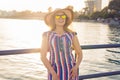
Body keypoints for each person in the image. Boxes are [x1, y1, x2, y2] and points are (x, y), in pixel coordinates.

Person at [40, 7, 83, 80]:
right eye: (58, 16)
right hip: (54, 71)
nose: (61, 18)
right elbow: (43, 56)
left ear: (65, 19)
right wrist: (52, 73)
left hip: (71, 71)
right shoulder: (47, 35)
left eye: (63, 16)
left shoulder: (72, 34)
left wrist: (76, 67)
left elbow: (80, 53)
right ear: (53, 19)